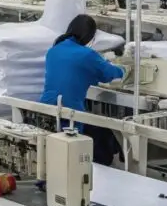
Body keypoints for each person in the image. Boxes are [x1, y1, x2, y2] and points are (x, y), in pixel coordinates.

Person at [40, 15, 126, 165]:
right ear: (90, 36)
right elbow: (109, 74)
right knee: (94, 139)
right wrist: (125, 69)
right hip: (70, 113)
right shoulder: (87, 54)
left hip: (46, 108)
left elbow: (73, 74)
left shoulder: (53, 50)